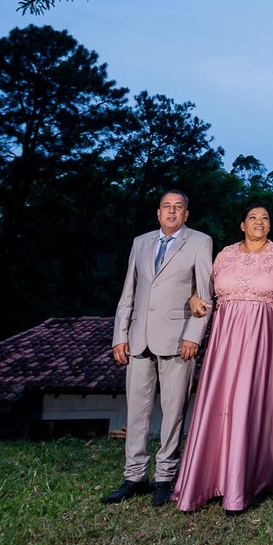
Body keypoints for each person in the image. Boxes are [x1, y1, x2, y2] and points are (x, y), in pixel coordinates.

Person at [172, 203, 273, 513]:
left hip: (260, 341)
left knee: (248, 401)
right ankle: (208, 478)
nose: (259, 222)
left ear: (270, 226)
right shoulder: (224, 255)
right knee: (219, 402)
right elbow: (203, 290)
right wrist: (193, 296)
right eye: (252, 217)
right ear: (242, 225)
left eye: (265, 218)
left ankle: (242, 483)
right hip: (224, 341)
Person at [103, 190, 214, 507]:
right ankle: (134, 477)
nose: (172, 211)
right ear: (158, 213)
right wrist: (120, 336)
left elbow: (205, 293)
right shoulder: (140, 242)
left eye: (179, 207)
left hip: (178, 340)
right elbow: (128, 291)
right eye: (167, 207)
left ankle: (165, 478)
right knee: (136, 411)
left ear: (186, 214)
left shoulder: (200, 241)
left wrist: (194, 335)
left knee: (173, 413)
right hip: (138, 337)